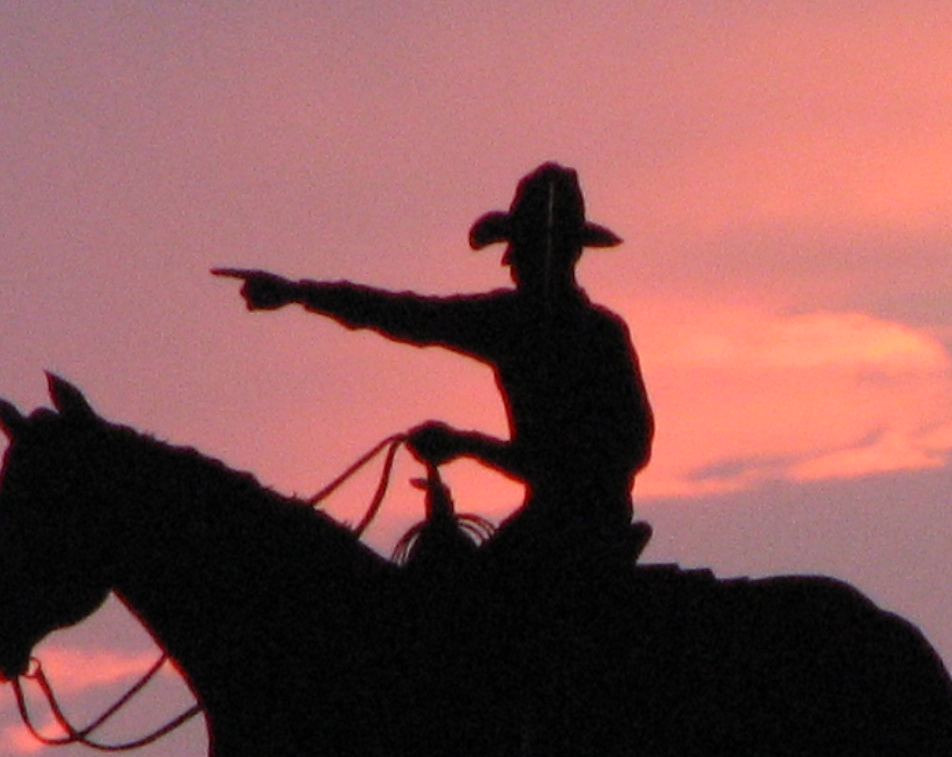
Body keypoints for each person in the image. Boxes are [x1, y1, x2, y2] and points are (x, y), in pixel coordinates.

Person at [218, 162, 655, 571]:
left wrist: (466, 444)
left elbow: (612, 458)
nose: (515, 266)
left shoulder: (553, 329)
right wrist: (299, 294)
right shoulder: (561, 327)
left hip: (576, 533)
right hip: (573, 521)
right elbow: (405, 315)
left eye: (521, 250)